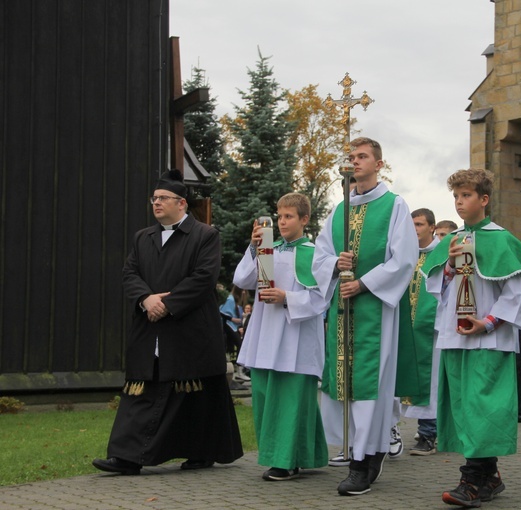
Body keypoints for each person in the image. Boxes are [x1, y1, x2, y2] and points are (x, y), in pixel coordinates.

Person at [93, 169, 243, 475]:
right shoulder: (143, 237)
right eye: (154, 198)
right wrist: (146, 300)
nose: (156, 203)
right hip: (150, 330)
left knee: (194, 397)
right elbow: (129, 274)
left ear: (182, 204)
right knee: (142, 393)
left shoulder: (205, 236)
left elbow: (203, 279)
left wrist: (168, 304)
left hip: (190, 331)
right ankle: (126, 457)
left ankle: (200, 453)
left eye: (163, 198)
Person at [421, 168, 521, 507]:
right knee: (464, 407)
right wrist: (447, 267)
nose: (459, 202)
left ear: (484, 199)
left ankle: (471, 481)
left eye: (466, 195)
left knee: (483, 407)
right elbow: (435, 288)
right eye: (456, 196)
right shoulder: (450, 241)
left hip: (489, 338)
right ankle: (489, 477)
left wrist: (487, 322)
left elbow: (515, 292)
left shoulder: (501, 239)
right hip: (456, 336)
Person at [313, 137, 418, 496]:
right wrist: (334, 264)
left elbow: (404, 257)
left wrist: (364, 283)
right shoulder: (339, 209)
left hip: (375, 309)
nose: (355, 162)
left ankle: (363, 461)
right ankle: (361, 452)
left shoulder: (395, 206)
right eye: (352, 157)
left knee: (370, 385)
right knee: (343, 385)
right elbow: (321, 255)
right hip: (342, 310)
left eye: (362, 157)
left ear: (379, 163)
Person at [233, 192, 329, 481]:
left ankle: (286, 462)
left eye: (289, 216)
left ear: (304, 219)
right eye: (279, 216)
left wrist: (286, 297)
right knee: (266, 397)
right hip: (264, 336)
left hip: (295, 338)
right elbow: (242, 280)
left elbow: (321, 298)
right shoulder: (267, 249)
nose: (282, 221)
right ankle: (291, 455)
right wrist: (253, 246)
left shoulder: (315, 255)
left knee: (291, 400)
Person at [396, 208, 440, 456]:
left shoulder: (441, 253)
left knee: (430, 381)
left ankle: (428, 434)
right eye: (411, 225)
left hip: (431, 329)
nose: (414, 229)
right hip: (405, 328)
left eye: (420, 225)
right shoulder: (405, 255)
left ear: (432, 227)